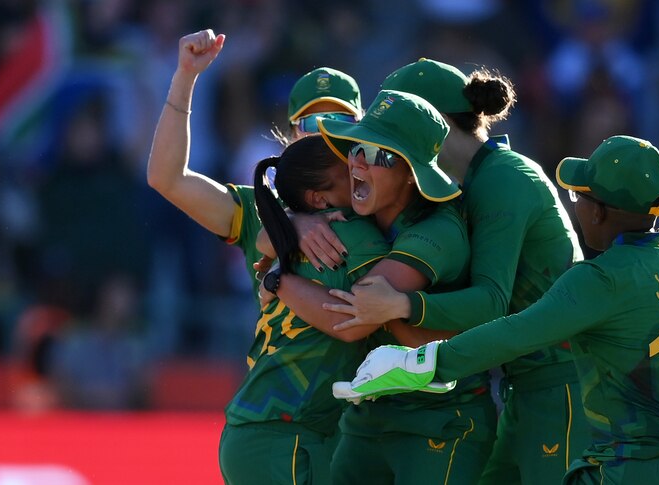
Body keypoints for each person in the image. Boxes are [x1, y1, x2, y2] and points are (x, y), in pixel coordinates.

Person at [333, 135, 659, 484]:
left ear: (600, 212)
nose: (574, 206)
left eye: (580, 198)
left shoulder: (601, 280)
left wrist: (419, 362)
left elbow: (515, 333)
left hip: (633, 469)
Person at [322, 58, 589, 483]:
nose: (371, 153)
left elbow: (491, 301)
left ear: (435, 124)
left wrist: (404, 306)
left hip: (563, 386)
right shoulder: (463, 182)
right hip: (528, 386)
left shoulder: (504, 178)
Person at [260, 90, 497, 484]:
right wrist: (295, 223)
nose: (357, 166)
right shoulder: (353, 214)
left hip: (438, 423)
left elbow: (354, 318)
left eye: (380, 156)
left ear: (412, 172)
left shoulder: (437, 229)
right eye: (356, 151)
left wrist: (278, 280)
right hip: (367, 419)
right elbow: (262, 239)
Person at [218, 134, 389, 485]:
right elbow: (353, 322)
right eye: (346, 170)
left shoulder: (287, 231)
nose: (358, 169)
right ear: (318, 198)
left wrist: (278, 264)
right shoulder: (353, 234)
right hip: (283, 432)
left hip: (269, 429)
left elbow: (264, 238)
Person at [146, 28, 362, 298]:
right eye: (312, 124)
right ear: (293, 133)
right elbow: (166, 179)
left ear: (360, 130)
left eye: (340, 121)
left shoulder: (377, 201)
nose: (326, 133)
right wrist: (185, 76)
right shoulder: (261, 208)